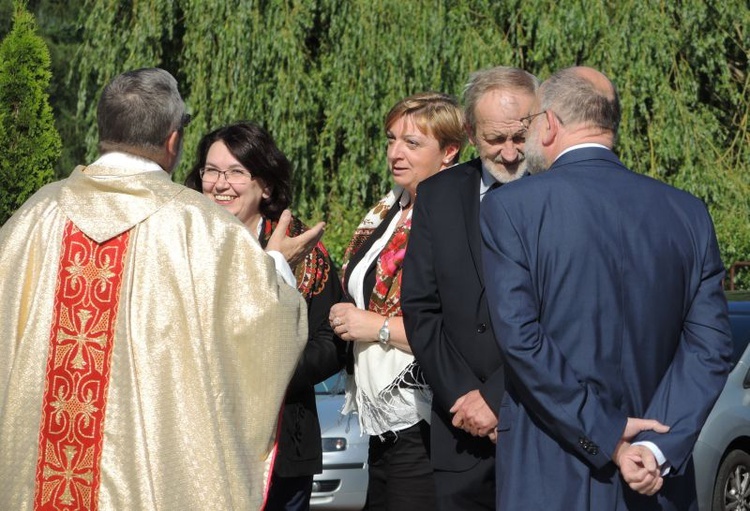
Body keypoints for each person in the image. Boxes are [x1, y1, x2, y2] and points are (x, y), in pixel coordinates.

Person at [0, 68, 315, 511]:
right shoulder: (201, 227)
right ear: (172, 140)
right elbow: (265, 328)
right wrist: (278, 265)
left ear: (104, 129)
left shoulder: (35, 217)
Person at [479, 65, 734, 510]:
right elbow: (710, 349)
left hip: (548, 473)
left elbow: (521, 341)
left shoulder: (511, 209)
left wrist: (609, 434)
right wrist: (655, 449)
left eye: (531, 123)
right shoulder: (688, 213)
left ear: (551, 123)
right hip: (655, 482)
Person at [185, 121, 345, 511]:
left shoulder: (303, 249)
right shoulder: (180, 241)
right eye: (211, 171)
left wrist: (270, 372)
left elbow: (331, 342)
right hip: (197, 442)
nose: (220, 184)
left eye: (237, 172)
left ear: (266, 186)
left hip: (283, 441)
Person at [401, 66, 539, 509]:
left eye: (521, 136)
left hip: (541, 425)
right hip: (459, 431)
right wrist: (463, 395)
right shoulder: (437, 195)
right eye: (496, 139)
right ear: (470, 133)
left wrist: (497, 397)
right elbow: (421, 308)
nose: (512, 152)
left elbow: (565, 313)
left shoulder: (560, 194)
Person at [328, 92, 464, 510]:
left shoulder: (459, 213)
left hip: (430, 409)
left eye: (412, 143)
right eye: (391, 140)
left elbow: (463, 326)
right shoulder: (389, 210)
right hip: (384, 414)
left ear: (450, 152)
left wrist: (378, 327)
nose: (395, 153)